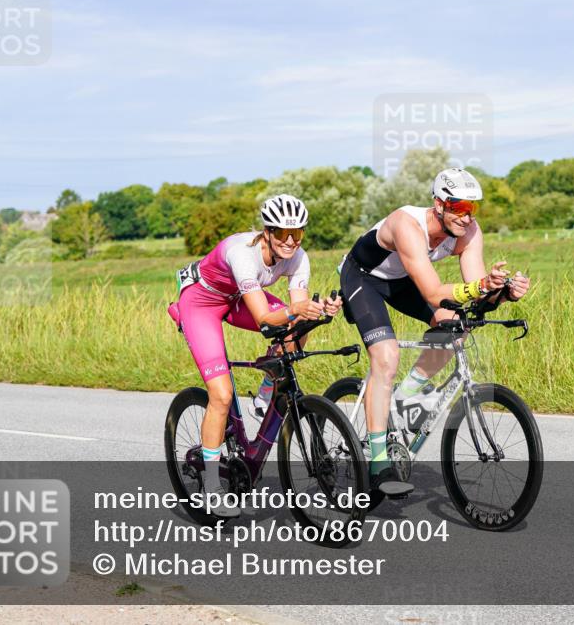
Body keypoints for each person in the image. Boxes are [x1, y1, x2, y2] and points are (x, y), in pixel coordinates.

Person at [339, 168, 531, 496]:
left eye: (472, 209)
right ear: (438, 204)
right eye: (458, 207)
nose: (466, 217)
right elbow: (432, 293)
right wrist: (480, 286)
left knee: (456, 328)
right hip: (363, 278)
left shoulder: (469, 232)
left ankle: (403, 397)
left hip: (401, 282)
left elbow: (475, 293)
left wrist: (501, 292)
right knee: (386, 356)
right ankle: (378, 460)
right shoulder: (407, 224)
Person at [167, 194, 342, 516]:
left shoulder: (298, 257)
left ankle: (266, 394)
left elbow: (295, 312)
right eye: (281, 233)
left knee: (297, 329)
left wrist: (318, 311)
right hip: (202, 303)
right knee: (221, 395)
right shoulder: (243, 254)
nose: (290, 241)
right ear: (267, 232)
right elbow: (264, 318)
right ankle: (210, 485)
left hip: (236, 299)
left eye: (298, 233)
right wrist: (295, 310)